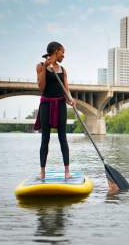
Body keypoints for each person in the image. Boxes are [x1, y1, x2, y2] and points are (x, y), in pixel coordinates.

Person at [34, 41, 76, 179]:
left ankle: (67, 172)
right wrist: (46, 67)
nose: (64, 55)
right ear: (56, 51)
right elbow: (41, 87)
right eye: (62, 52)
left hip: (60, 104)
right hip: (46, 104)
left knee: (62, 137)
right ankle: (42, 172)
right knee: (45, 138)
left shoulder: (63, 70)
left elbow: (66, 89)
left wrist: (71, 98)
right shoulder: (40, 66)